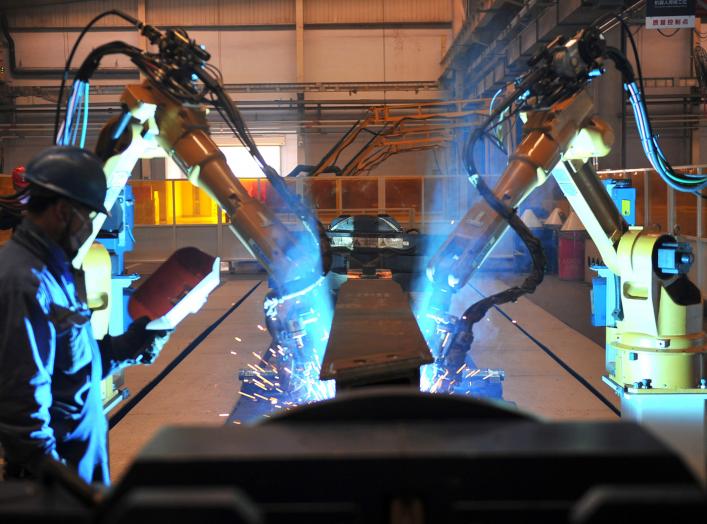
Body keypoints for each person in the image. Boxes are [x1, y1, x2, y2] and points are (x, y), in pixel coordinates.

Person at [0, 146, 170, 486]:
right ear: (63, 211)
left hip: (78, 466)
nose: (91, 227)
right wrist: (59, 483)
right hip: (56, 482)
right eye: (89, 216)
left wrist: (126, 347)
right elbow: (22, 410)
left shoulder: (55, 269)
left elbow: (69, 367)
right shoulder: (24, 282)